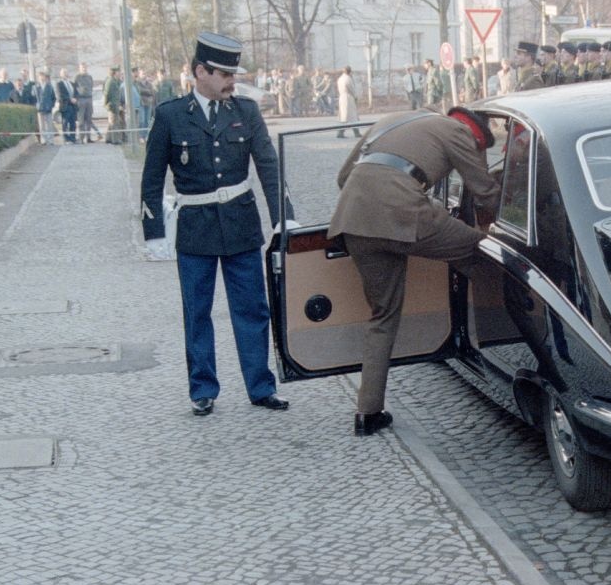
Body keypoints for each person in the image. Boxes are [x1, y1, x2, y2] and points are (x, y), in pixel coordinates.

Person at [140, 32, 294, 416]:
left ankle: (260, 387)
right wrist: (154, 231)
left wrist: (282, 217)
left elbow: (268, 166)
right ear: (200, 72)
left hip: (241, 225)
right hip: (195, 228)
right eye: (224, 73)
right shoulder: (171, 115)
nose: (231, 81)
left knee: (253, 309)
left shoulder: (245, 112)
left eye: (233, 74)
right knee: (197, 312)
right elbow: (152, 177)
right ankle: (202, 390)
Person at [327, 106, 501, 435]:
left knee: (382, 316)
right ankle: (508, 331)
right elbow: (484, 191)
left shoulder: (392, 117)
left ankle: (367, 413)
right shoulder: (460, 132)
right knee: (482, 250)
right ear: (477, 136)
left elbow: (342, 178)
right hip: (404, 212)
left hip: (354, 221)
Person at [74, 62, 100, 141]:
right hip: (81, 99)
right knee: (81, 120)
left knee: (89, 119)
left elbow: (91, 87)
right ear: (80, 69)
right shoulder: (77, 77)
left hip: (89, 98)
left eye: (85, 67)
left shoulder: (89, 77)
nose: (84, 69)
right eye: (82, 68)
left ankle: (88, 138)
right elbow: (75, 88)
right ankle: (81, 138)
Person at [335, 65, 360, 138]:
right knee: (352, 116)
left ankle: (341, 132)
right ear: (349, 71)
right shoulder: (348, 79)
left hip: (342, 97)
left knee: (344, 116)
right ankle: (355, 132)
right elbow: (352, 89)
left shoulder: (340, 78)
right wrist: (355, 97)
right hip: (348, 97)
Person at [55, 67, 78, 143]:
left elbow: (76, 93)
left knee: (73, 123)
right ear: (61, 75)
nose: (65, 74)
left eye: (66, 72)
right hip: (65, 106)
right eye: (63, 73)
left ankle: (73, 138)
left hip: (73, 106)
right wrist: (70, 99)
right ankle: (66, 139)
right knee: (65, 123)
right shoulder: (59, 84)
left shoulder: (72, 83)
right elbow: (60, 95)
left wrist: (75, 98)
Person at [104, 65, 126, 145]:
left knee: (112, 122)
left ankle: (108, 138)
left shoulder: (115, 81)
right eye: (118, 72)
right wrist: (106, 104)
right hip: (112, 105)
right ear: (114, 72)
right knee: (114, 123)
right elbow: (107, 93)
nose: (119, 73)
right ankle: (115, 140)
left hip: (116, 104)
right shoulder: (110, 81)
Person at [33, 70, 56, 144]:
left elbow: (53, 97)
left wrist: (51, 105)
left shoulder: (49, 87)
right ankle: (44, 140)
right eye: (40, 77)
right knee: (42, 126)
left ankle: (51, 140)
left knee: (49, 125)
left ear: (45, 77)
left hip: (48, 108)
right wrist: (36, 105)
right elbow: (33, 98)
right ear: (38, 78)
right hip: (40, 109)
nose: (41, 78)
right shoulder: (35, 87)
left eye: (43, 76)